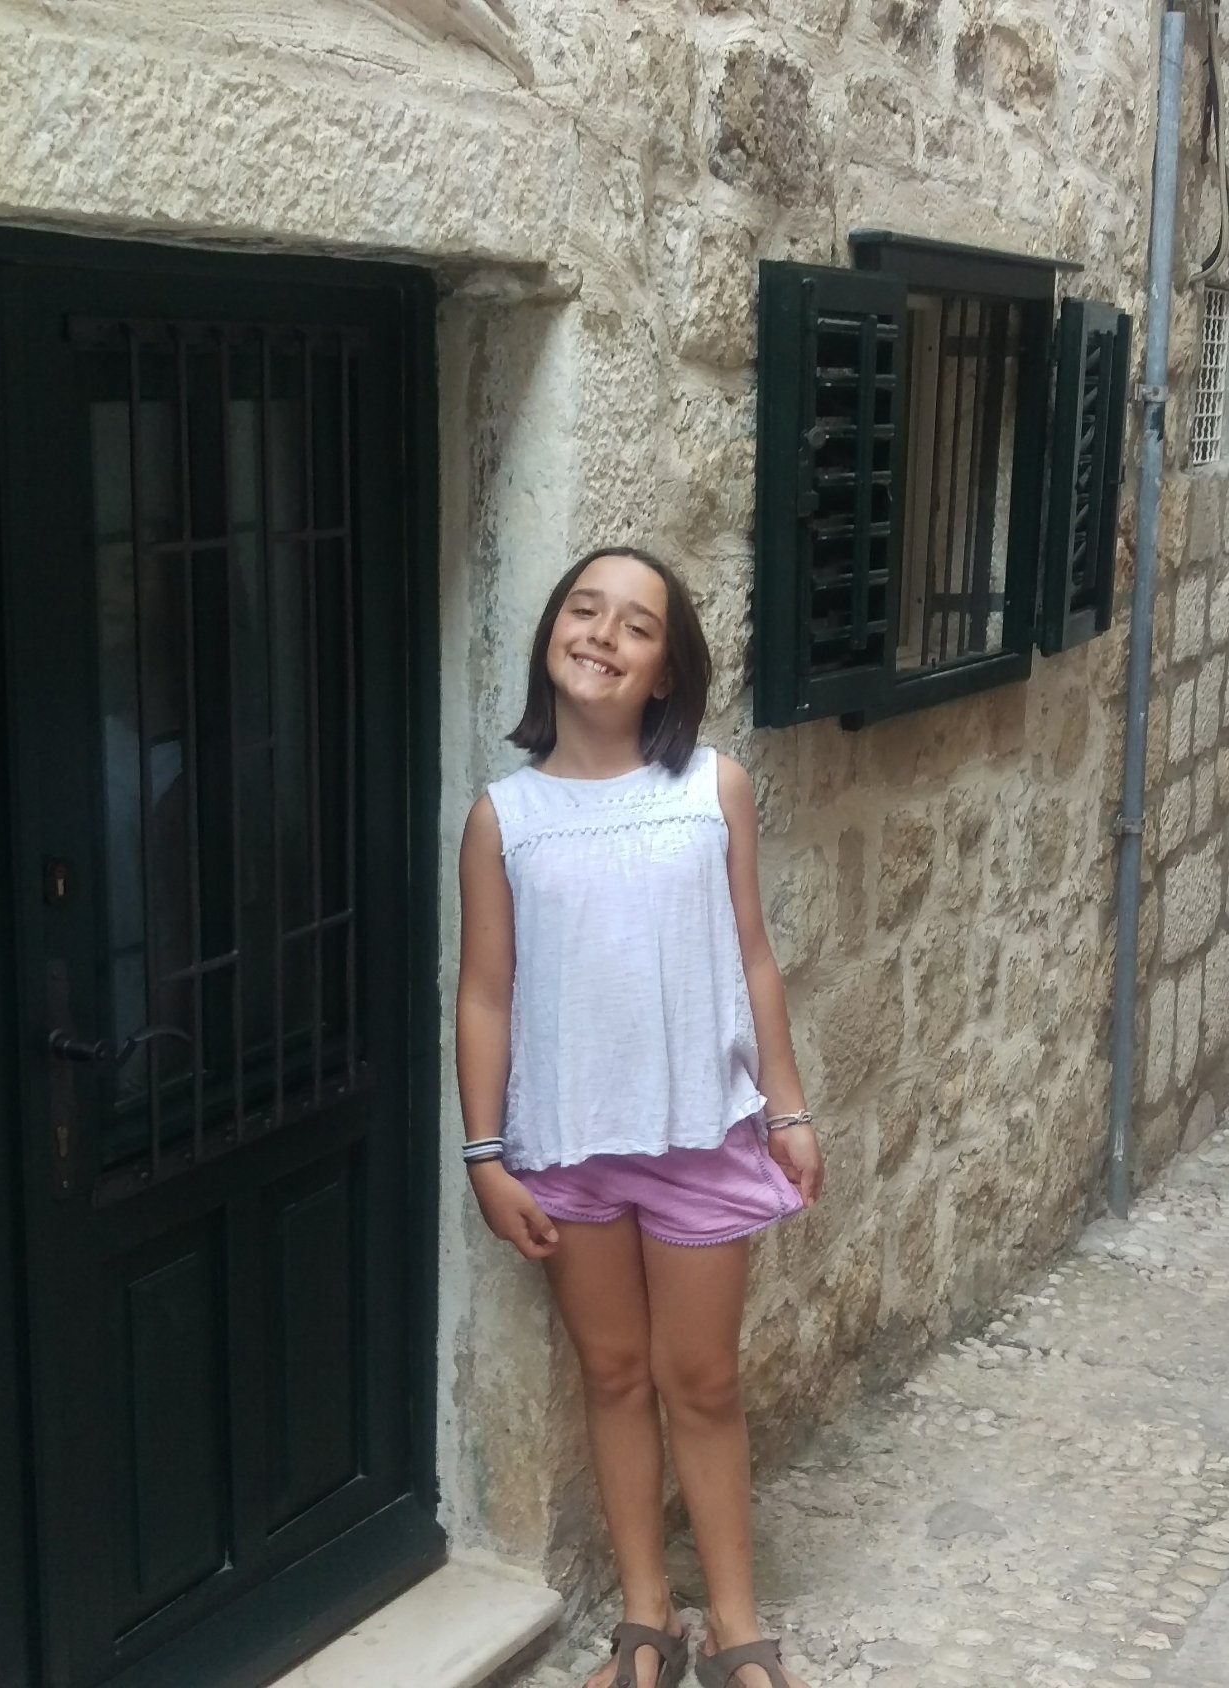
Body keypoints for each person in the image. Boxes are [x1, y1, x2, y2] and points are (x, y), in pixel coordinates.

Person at [457, 546, 823, 1688]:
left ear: (668, 670)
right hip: (567, 1150)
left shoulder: (712, 789)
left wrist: (789, 1106)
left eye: (637, 624)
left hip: (700, 1137)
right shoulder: (504, 817)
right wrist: (485, 1155)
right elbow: (485, 993)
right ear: (550, 636)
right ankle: (646, 1620)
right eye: (584, 610)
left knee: (700, 1381)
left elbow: (752, 955)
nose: (603, 635)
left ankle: (737, 1629)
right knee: (613, 1376)